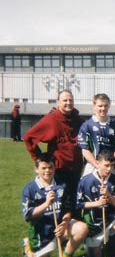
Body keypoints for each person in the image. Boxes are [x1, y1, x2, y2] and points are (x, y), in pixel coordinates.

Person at [21, 153, 88, 257]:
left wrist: (64, 223)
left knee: (82, 228)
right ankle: (27, 247)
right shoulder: (30, 189)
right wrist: (46, 204)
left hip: (60, 227)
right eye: (43, 168)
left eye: (50, 167)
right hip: (42, 232)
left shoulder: (62, 185)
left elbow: (67, 209)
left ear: (54, 167)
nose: (47, 171)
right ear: (36, 169)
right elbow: (28, 215)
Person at [24, 90, 84, 219]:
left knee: (75, 204)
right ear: (58, 102)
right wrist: (40, 159)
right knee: (61, 206)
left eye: (71, 100)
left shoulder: (78, 120)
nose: (68, 103)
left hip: (77, 170)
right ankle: (56, 235)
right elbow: (28, 137)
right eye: (65, 100)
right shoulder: (51, 119)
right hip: (59, 170)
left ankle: (76, 236)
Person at [78, 93, 115, 176]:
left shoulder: (114, 125)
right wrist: (97, 165)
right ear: (94, 106)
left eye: (105, 106)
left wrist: (109, 165)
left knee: (112, 187)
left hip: (109, 167)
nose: (103, 108)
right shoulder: (87, 125)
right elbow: (85, 149)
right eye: (100, 106)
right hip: (92, 166)